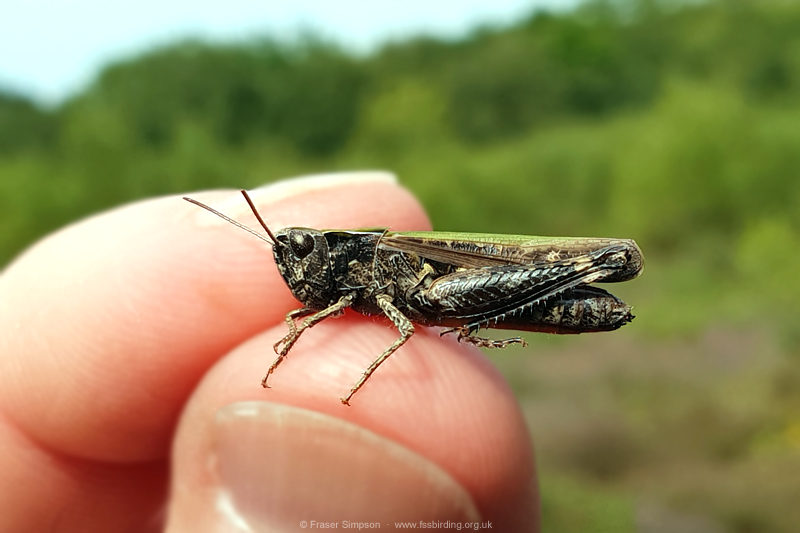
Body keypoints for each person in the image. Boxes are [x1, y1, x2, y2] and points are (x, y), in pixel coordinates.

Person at [0, 172, 538, 531]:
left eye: (300, 250)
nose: (292, 266)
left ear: (337, 247)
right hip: (434, 300)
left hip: (491, 281)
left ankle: (586, 265)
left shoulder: (376, 257)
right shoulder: (338, 290)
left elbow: (403, 325)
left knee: (404, 319)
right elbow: (330, 308)